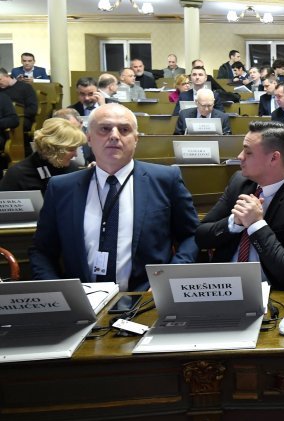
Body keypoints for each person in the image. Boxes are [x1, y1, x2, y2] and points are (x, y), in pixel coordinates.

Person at [29, 104, 199, 291]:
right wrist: (60, 293)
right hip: (83, 302)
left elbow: (190, 236)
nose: (114, 135)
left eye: (124, 129)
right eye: (105, 128)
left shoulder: (166, 180)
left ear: (136, 139)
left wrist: (169, 279)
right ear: (89, 138)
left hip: (146, 300)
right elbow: (42, 251)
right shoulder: (61, 187)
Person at [195, 121, 284, 289]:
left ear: (274, 158)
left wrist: (257, 225)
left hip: (270, 294)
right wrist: (234, 223)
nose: (240, 156)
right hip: (222, 286)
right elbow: (201, 236)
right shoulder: (239, 182)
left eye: (248, 152)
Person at [0, 118, 85, 192]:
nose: (76, 155)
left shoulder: (73, 169)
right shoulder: (18, 175)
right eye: (71, 149)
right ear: (51, 148)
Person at [0, 67, 37, 134]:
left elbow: (32, 109)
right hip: (3, 118)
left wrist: (17, 113)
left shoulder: (25, 87)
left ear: (7, 76)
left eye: (0, 79)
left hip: (22, 117)